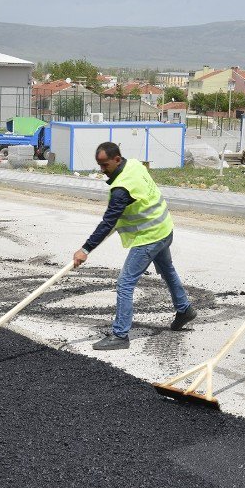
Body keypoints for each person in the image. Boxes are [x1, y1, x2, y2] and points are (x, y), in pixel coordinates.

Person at [73, 142, 196, 350]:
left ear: (117, 159)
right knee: (167, 270)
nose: (102, 170)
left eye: (105, 165)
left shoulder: (121, 188)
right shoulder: (135, 165)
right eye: (99, 165)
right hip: (164, 228)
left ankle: (120, 335)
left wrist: (85, 249)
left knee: (125, 283)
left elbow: (108, 222)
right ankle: (184, 309)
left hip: (149, 237)